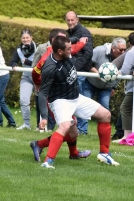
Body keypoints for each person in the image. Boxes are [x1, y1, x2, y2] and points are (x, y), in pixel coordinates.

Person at [37, 35, 119, 168]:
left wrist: (80, 39)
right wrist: (44, 117)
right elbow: (43, 92)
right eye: (69, 49)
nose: (72, 51)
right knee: (64, 127)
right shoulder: (49, 67)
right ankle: (48, 161)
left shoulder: (65, 53)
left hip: (76, 98)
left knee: (105, 115)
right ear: (60, 51)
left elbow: (72, 42)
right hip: (60, 101)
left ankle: (104, 154)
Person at [30, 28, 90, 161]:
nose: (68, 44)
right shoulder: (47, 59)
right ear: (55, 43)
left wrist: (81, 43)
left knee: (73, 132)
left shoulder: (60, 52)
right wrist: (38, 83)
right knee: (66, 128)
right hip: (55, 99)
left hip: (66, 98)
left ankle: (72, 153)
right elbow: (35, 72)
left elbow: (72, 49)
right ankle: (44, 151)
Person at [77, 37, 126, 135]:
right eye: (121, 50)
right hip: (90, 83)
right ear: (113, 48)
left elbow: (120, 73)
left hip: (106, 88)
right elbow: (86, 63)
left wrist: (114, 87)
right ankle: (82, 130)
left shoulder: (124, 57)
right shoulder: (99, 50)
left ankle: (104, 133)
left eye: (125, 49)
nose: (123, 52)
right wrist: (98, 73)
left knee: (105, 109)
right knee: (85, 107)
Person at [65, 11, 94, 134]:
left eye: (72, 20)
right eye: (68, 20)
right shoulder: (69, 33)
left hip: (79, 72)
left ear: (77, 19)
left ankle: (82, 129)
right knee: (72, 99)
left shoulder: (84, 32)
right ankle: (76, 128)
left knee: (78, 99)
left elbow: (88, 53)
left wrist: (75, 68)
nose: (70, 22)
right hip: (73, 70)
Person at [10, 29, 37, 130]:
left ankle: (43, 125)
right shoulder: (18, 50)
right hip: (26, 77)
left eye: (27, 38)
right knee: (24, 100)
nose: (25, 40)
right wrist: (14, 65)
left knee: (42, 102)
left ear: (31, 38)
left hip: (39, 78)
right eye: (23, 38)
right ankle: (27, 124)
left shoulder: (38, 48)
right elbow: (13, 61)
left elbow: (41, 63)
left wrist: (28, 62)